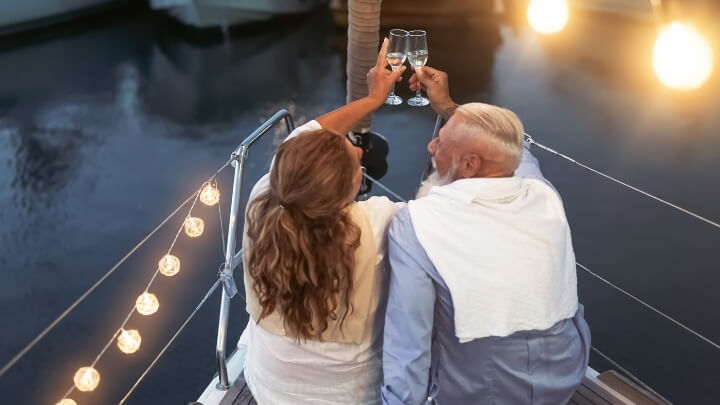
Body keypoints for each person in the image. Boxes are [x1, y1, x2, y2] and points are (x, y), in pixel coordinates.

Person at [381, 66, 591, 405]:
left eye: (442, 141)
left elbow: (409, 345)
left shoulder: (416, 225)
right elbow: (519, 153)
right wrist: (447, 105)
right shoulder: (543, 193)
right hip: (565, 374)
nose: (431, 145)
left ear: (469, 166)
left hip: (483, 392)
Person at [240, 38, 406, 405]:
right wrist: (445, 108)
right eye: (356, 156)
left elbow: (302, 138)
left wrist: (370, 98)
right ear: (350, 188)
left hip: (269, 388)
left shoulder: (264, 198)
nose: (360, 148)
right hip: (349, 397)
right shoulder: (378, 222)